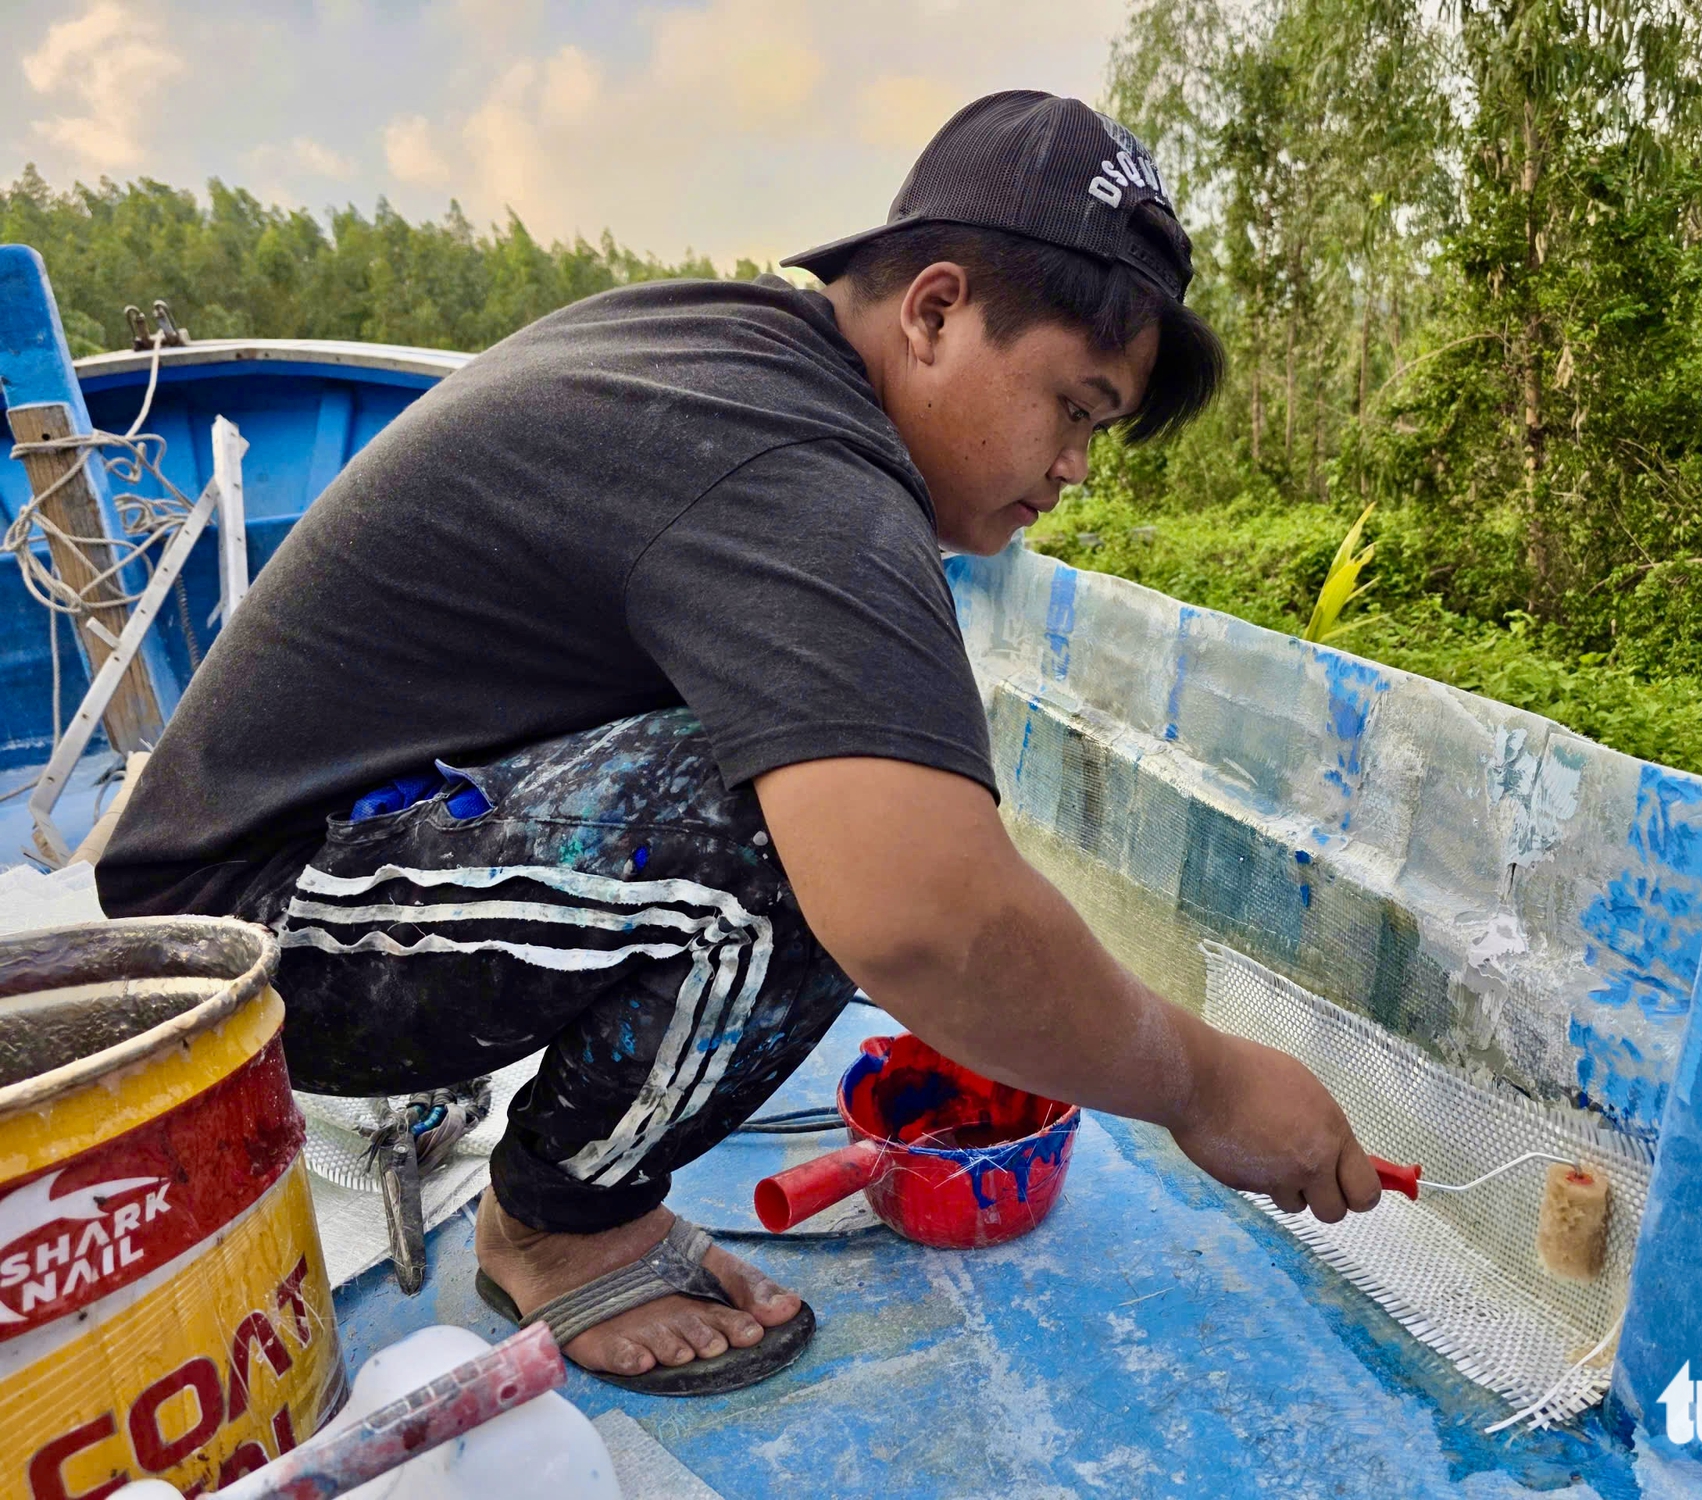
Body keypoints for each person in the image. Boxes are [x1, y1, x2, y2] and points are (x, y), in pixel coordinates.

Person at [98, 91, 1380, 1394]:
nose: (1077, 467)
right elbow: (926, 918)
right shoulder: (799, 468)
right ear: (934, 312)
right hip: (246, 952)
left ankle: (573, 1183)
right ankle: (561, 1221)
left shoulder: (740, 361)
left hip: (335, 857)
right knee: (806, 848)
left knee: (837, 785)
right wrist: (1205, 1083)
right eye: (1074, 404)